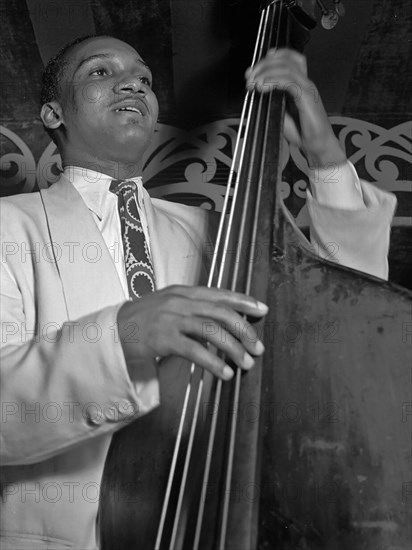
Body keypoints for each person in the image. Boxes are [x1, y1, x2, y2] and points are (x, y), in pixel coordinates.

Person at [0, 35, 396, 549]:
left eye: (143, 78)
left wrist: (323, 156)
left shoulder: (221, 232)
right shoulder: (9, 225)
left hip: (212, 528)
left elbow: (345, 305)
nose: (133, 84)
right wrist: (125, 337)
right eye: (101, 72)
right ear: (54, 113)